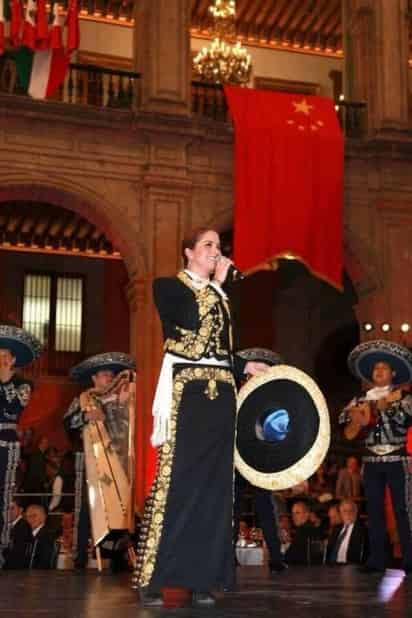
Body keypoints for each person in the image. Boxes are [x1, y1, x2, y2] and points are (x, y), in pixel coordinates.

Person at [134, 228, 268, 607]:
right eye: (208, 246)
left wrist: (245, 364)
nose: (216, 252)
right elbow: (192, 334)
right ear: (189, 253)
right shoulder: (169, 288)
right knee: (179, 481)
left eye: (219, 248)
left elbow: (218, 348)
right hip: (189, 391)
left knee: (216, 487)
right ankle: (156, 578)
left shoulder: (220, 298)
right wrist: (219, 285)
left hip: (221, 393)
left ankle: (206, 577)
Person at [341, 340, 412, 573]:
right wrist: (357, 412)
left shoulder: (403, 396)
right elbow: (343, 419)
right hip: (370, 462)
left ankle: (409, 558)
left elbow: (406, 418)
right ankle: (377, 559)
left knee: (403, 509)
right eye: (375, 368)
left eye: (383, 368)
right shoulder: (360, 398)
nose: (379, 371)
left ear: (393, 373)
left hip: (397, 459)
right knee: (373, 510)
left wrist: (386, 407)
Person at [64, 352, 135, 569]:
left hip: (120, 460)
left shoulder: (123, 399)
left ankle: (120, 553)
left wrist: (125, 406)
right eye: (105, 375)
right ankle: (81, 557)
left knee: (123, 505)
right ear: (94, 378)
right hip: (89, 461)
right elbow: (68, 423)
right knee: (88, 506)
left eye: (112, 375)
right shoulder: (84, 399)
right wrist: (87, 416)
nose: (110, 379)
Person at [233, 347, 286, 575]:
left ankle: (276, 556)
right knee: (232, 508)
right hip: (235, 458)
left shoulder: (272, 402)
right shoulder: (232, 396)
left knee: (266, 507)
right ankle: (227, 557)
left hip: (261, 459)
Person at [0, 324, 41, 547]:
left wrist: (5, 381)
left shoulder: (23, 385)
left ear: (12, 360)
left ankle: (1, 545)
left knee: (3, 494)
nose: (0, 360)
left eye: (4, 356)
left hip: (5, 444)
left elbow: (14, 408)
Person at [326, 499, 367, 565]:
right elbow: (329, 551)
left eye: (351, 510)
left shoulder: (363, 530)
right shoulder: (336, 529)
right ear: (341, 514)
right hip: (331, 567)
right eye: (345, 511)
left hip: (350, 567)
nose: (348, 513)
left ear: (356, 512)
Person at [3, 498, 32, 569]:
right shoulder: (9, 525)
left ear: (20, 510)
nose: (8, 512)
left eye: (12, 508)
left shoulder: (23, 527)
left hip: (15, 569)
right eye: (6, 509)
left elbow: (17, 552)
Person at [25, 504, 56, 569]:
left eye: (34, 516)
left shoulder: (47, 536)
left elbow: (45, 563)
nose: (30, 519)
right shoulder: (28, 534)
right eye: (28, 516)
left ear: (43, 517)